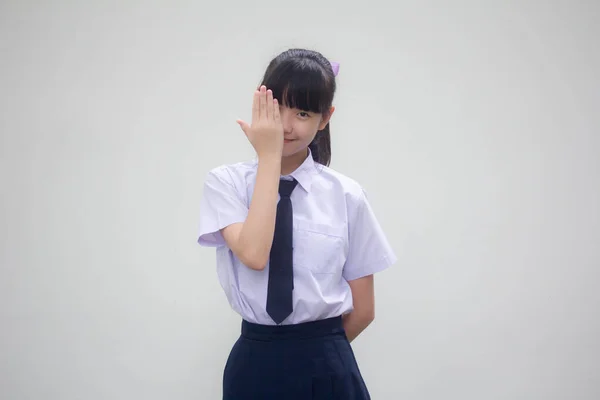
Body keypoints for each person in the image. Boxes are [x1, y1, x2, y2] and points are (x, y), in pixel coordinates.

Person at [196, 48, 397, 399]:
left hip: (328, 364)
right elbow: (255, 254)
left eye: (302, 112)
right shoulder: (225, 183)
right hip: (254, 363)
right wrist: (269, 157)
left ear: (325, 118)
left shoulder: (347, 196)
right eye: (278, 109)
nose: (286, 126)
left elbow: (364, 310)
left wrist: (315, 354)